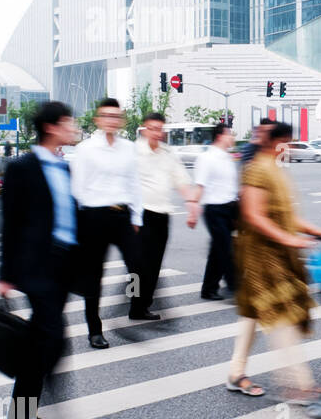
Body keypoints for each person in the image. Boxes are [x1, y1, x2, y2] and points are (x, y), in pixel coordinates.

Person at [228, 121, 321, 413]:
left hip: (278, 254)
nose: (289, 148)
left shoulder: (276, 169)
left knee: (254, 314)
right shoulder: (257, 170)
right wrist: (290, 239)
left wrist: (314, 232)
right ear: (279, 143)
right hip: (262, 257)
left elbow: (285, 215)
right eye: (288, 142)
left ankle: (236, 372)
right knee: (281, 318)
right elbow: (254, 215)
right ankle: (298, 383)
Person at [0, 101, 81, 419]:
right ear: (51, 127)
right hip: (36, 266)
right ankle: (33, 401)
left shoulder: (65, 167)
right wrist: (4, 274)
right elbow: (8, 222)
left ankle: (21, 409)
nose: (73, 128)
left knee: (41, 338)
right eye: (68, 123)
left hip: (63, 264)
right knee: (51, 334)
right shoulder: (21, 168)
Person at [69, 97, 144, 349]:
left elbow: (135, 184)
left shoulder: (129, 148)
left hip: (122, 215)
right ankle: (94, 329)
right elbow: (77, 188)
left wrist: (136, 217)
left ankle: (132, 305)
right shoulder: (85, 149)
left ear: (121, 120)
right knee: (94, 276)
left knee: (136, 265)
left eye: (116, 116)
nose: (112, 120)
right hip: (94, 217)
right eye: (107, 116)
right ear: (98, 120)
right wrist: (80, 224)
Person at [133, 113, 200, 320]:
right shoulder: (133, 152)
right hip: (140, 215)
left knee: (153, 265)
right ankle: (134, 304)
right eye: (152, 128)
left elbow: (181, 180)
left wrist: (191, 204)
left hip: (162, 215)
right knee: (138, 267)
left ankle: (143, 306)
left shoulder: (168, 153)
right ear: (144, 129)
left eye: (160, 128)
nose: (157, 133)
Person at [195, 123, 240, 301]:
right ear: (221, 136)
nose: (233, 138)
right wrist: (192, 209)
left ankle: (209, 289)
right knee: (227, 250)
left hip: (230, 209)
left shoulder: (227, 158)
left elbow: (230, 187)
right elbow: (200, 185)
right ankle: (236, 287)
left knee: (217, 251)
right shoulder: (207, 158)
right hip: (214, 210)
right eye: (231, 134)